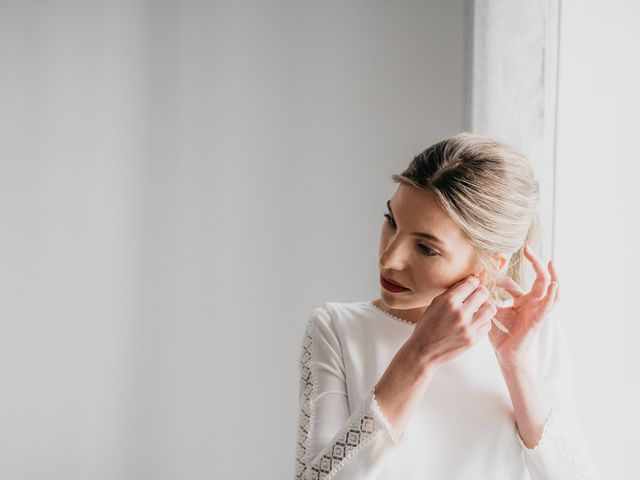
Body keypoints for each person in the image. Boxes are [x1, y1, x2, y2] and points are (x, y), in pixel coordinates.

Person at [293, 133, 600, 479]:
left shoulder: (534, 338)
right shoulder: (336, 328)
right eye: (391, 221)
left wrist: (515, 365)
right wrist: (419, 356)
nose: (389, 258)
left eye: (426, 248)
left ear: (491, 267)